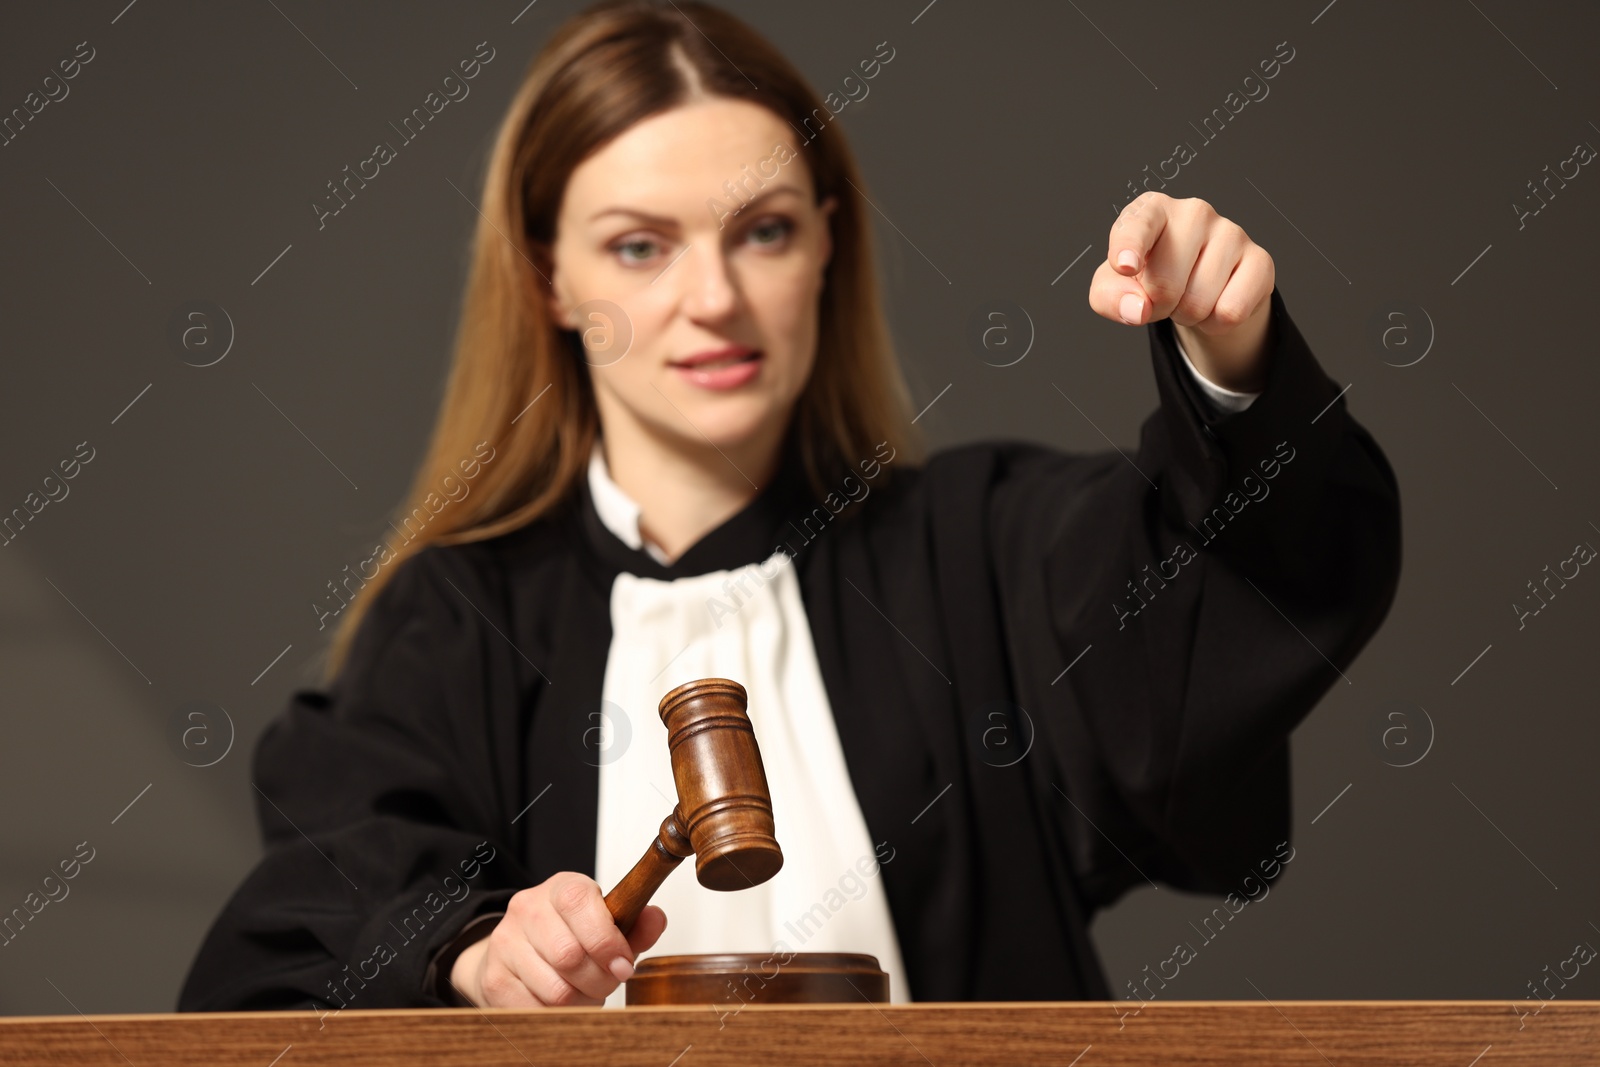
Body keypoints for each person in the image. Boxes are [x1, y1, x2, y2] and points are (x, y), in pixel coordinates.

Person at [178, 0, 1400, 1014]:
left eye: (760, 230)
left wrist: (1228, 360)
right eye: (639, 246)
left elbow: (1228, 583)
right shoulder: (458, 621)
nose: (712, 297)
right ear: (548, 275)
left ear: (825, 244)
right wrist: (467, 948)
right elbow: (314, 911)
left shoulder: (978, 554)